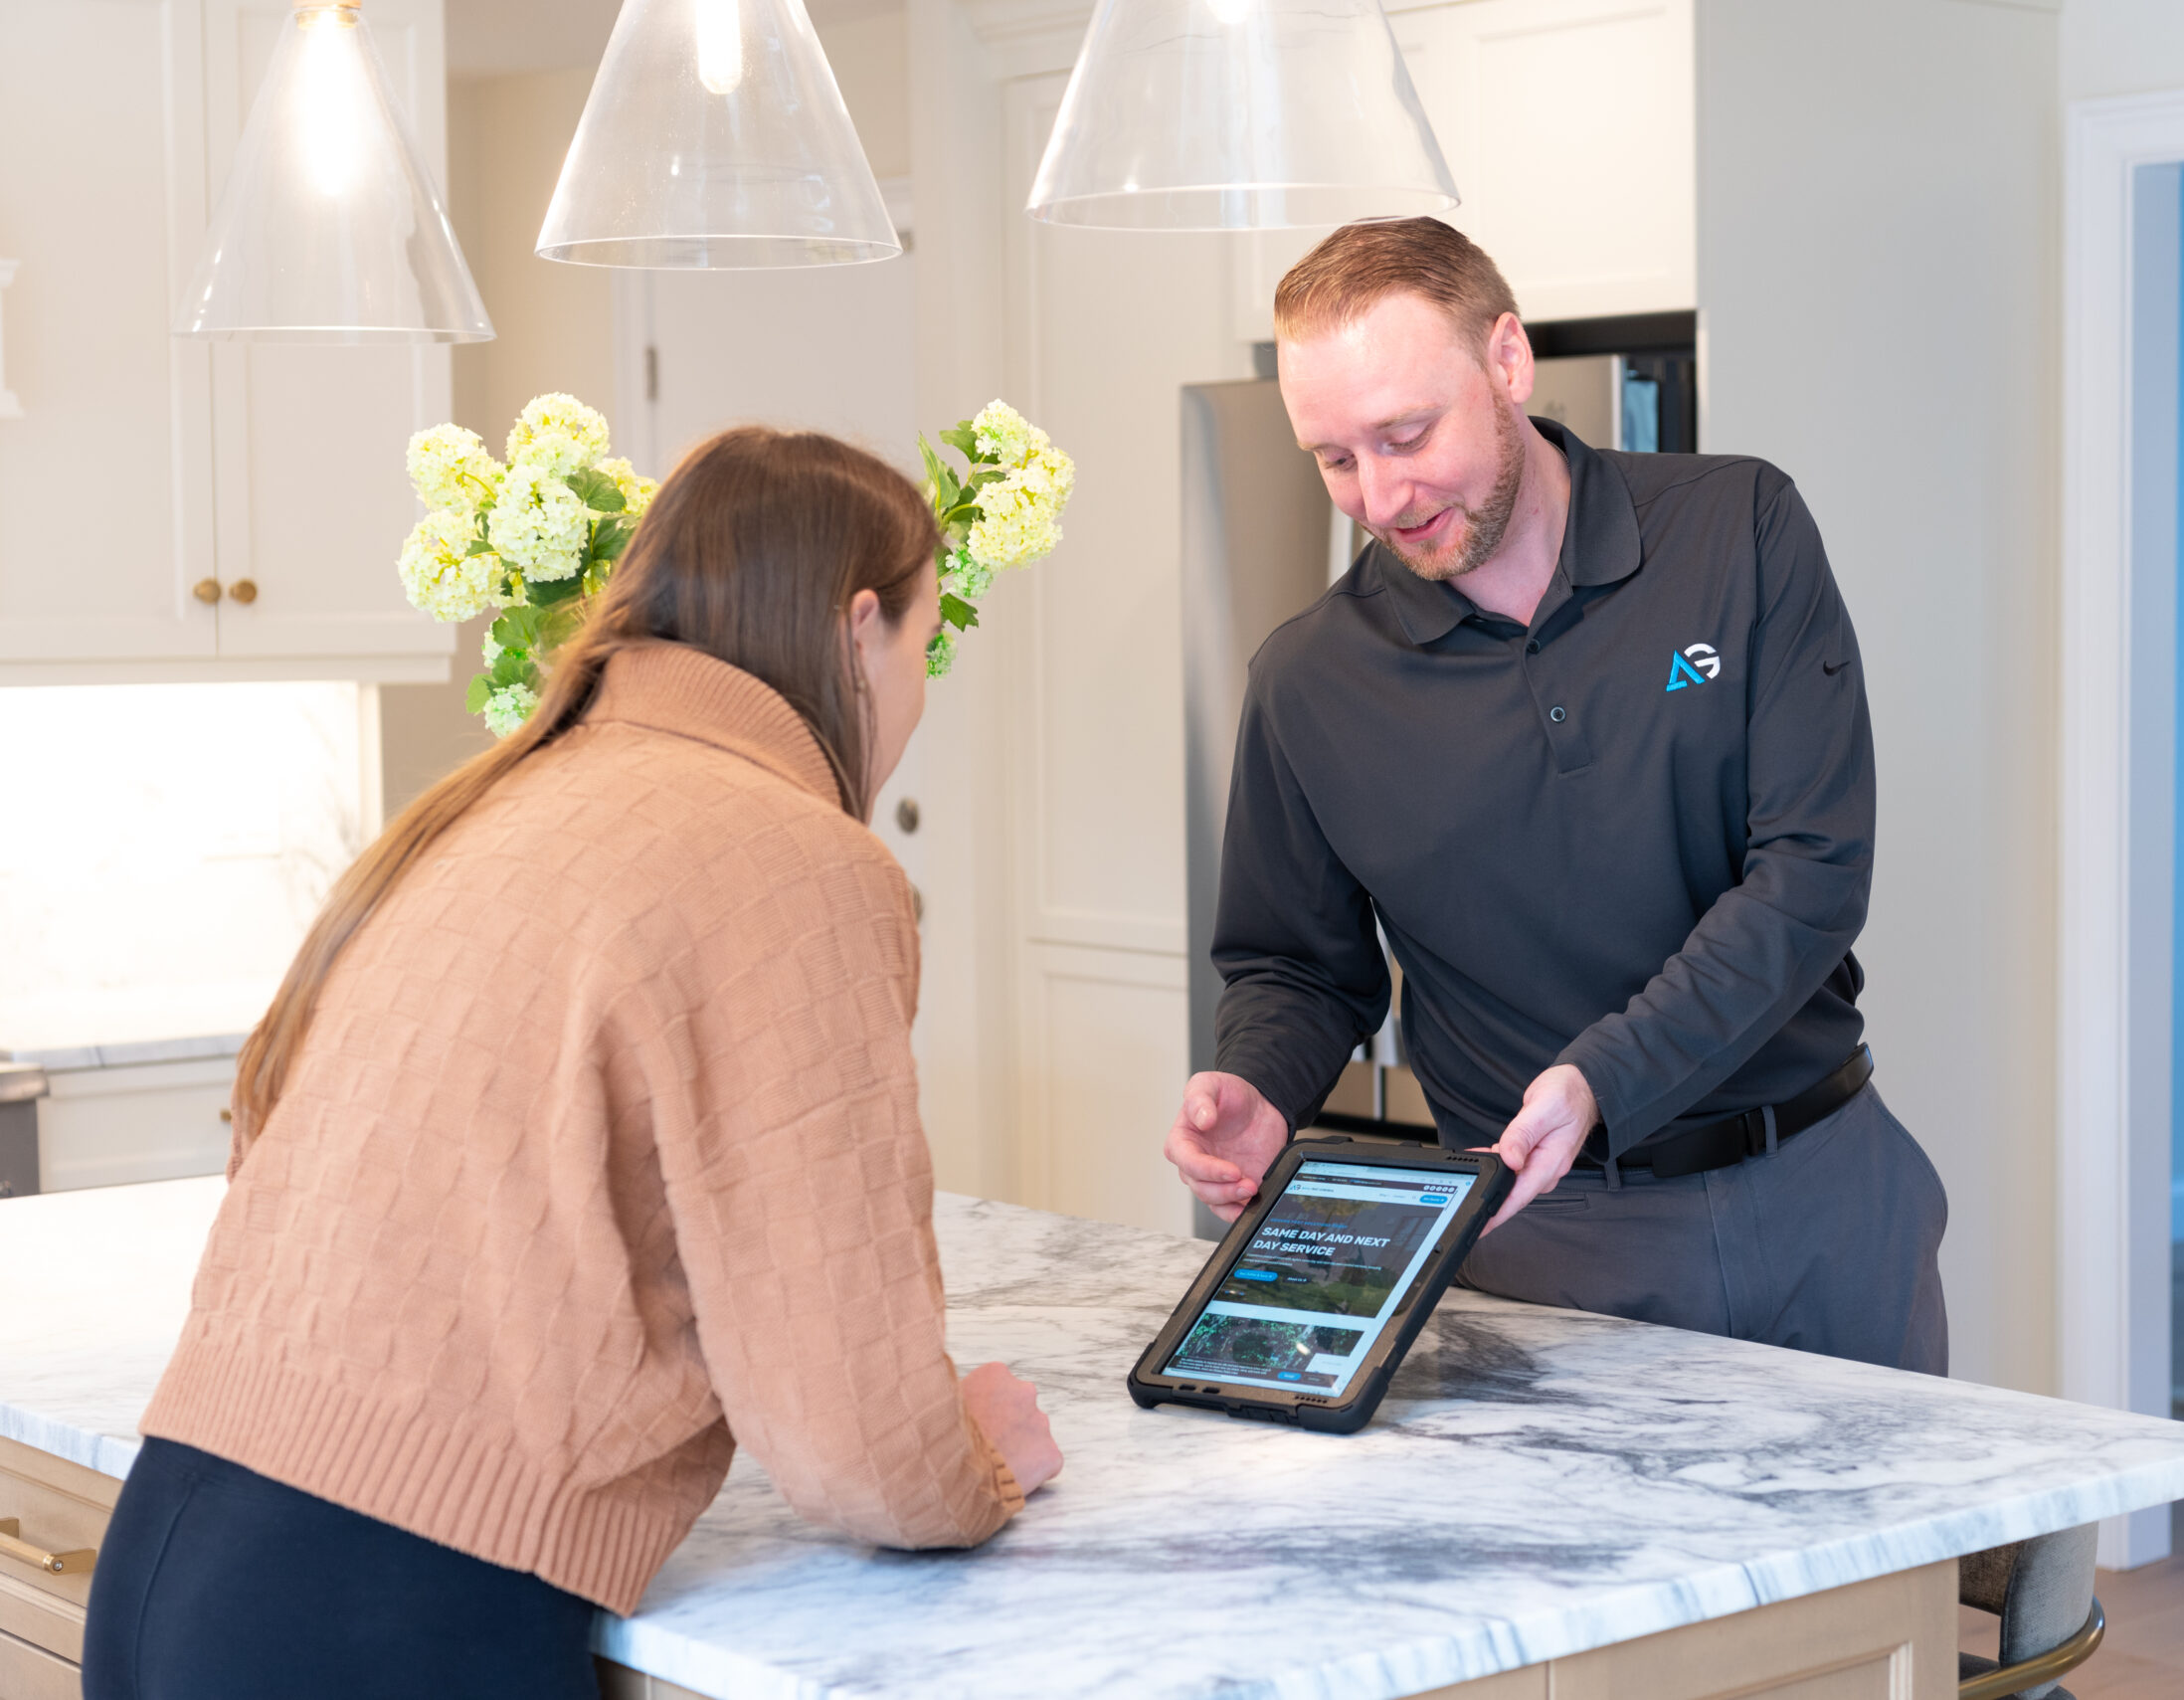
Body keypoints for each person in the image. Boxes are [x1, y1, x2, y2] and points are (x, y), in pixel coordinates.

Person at [84, 429, 1062, 1700]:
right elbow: (850, 1429)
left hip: (179, 1545)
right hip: (395, 1609)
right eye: (924, 644)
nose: (920, 690)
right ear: (856, 623)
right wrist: (973, 1462)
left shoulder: (500, 798)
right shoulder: (802, 862)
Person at [1165, 219, 1948, 1375]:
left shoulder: (1738, 530)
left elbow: (1809, 876)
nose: (1377, 497)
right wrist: (1256, 1079)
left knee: (1906, 1562)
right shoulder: (1307, 679)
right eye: (1332, 459)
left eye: (1404, 434)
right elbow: (1296, 965)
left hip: (1823, 1195)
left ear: (1508, 362)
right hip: (1546, 1240)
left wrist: (1603, 1076)